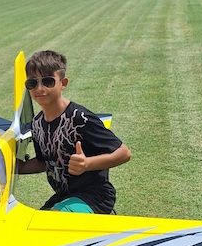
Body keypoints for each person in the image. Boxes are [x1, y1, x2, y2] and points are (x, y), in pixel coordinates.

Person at [18, 50, 131, 214]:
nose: (39, 88)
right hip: (64, 195)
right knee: (34, 224)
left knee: (50, 224)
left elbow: (124, 153)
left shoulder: (80, 118)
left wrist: (87, 164)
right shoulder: (37, 123)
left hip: (94, 196)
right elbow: (44, 162)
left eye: (48, 81)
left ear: (63, 83)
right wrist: (16, 167)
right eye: (32, 83)